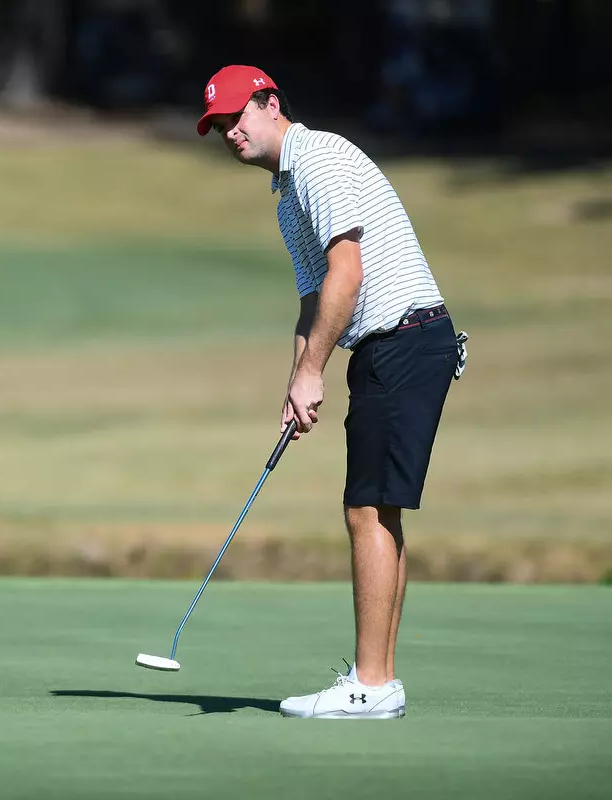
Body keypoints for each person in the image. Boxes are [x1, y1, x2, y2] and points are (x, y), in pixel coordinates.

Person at [195, 65, 466, 719]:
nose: (231, 132)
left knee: (368, 511)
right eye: (219, 125)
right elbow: (314, 296)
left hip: (403, 340)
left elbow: (349, 272)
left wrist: (315, 369)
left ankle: (371, 685)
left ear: (270, 103)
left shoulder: (315, 159)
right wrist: (298, 380)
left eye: (238, 116)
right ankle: (381, 681)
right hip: (392, 348)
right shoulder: (287, 191)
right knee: (379, 510)